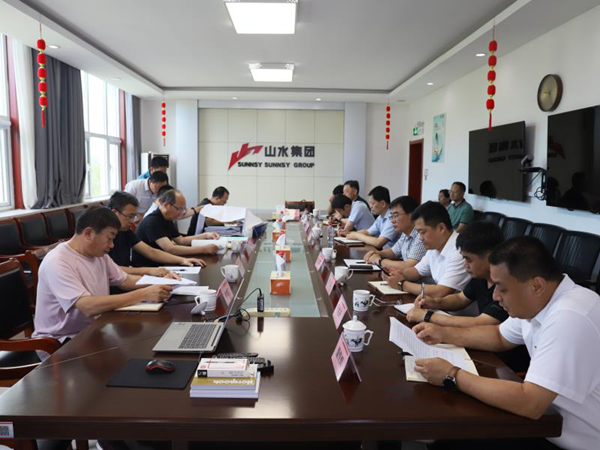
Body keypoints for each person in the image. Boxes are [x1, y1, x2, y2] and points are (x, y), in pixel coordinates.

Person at [413, 237, 600, 450]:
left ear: (537, 285)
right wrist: (443, 333)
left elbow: (530, 402)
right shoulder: (538, 302)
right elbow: (499, 336)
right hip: (548, 424)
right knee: (452, 432)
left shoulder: (570, 317)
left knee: (453, 439)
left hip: (572, 441)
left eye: (502, 289)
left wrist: (451, 375)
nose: (495, 296)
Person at [32, 206, 172, 342]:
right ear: (88, 233)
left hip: (93, 329)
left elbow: (125, 280)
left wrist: (163, 282)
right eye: (109, 238)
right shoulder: (57, 261)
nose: (112, 245)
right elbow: (88, 306)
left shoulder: (98, 254)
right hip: (61, 340)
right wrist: (144, 294)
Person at [406, 221, 506, 327]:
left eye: (469, 259)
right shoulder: (481, 276)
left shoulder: (506, 285)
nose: (465, 265)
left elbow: (480, 322)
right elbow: (460, 299)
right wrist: (435, 302)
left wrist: (427, 316)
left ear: (490, 256)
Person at [108, 191, 206, 271]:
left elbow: (150, 251)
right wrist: (150, 271)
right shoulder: (151, 221)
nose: (132, 221)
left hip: (133, 274)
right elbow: (114, 270)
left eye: (134, 217)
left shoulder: (126, 231)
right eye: (130, 216)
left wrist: (182, 260)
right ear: (115, 212)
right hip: (138, 271)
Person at [390, 201, 470, 297]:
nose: (420, 238)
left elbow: (440, 291)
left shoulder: (460, 250)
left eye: (422, 232)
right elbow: (417, 271)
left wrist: (402, 284)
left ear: (441, 228)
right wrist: (399, 274)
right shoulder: (434, 246)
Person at [134, 189, 220, 267]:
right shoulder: (152, 221)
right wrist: (204, 249)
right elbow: (170, 249)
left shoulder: (167, 218)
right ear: (167, 205)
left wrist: (206, 235)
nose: (182, 213)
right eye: (179, 209)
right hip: (148, 266)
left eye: (183, 209)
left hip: (161, 263)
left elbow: (181, 240)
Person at [364, 196, 426, 272]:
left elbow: (409, 266)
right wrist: (376, 253)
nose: (392, 221)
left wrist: (379, 261)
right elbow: (393, 252)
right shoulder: (405, 234)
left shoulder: (421, 235)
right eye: (391, 216)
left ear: (412, 216)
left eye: (396, 216)